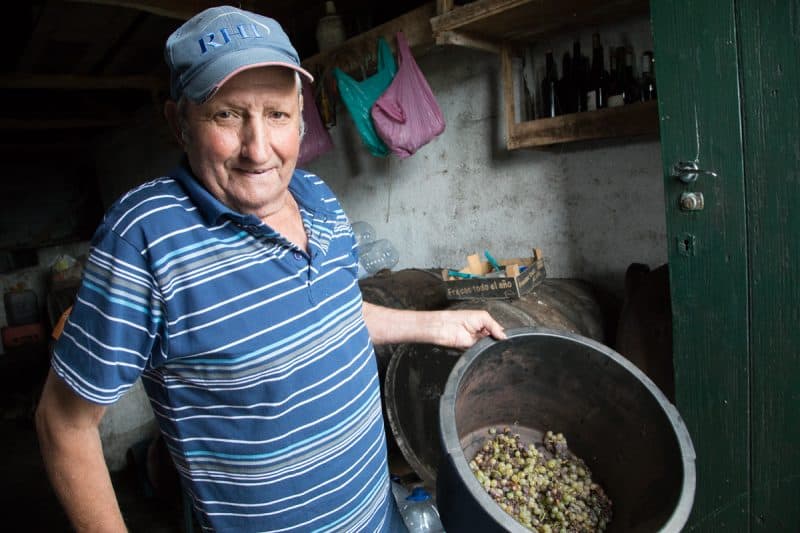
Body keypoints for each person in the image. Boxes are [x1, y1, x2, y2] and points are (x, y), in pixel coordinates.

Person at [35, 6, 505, 532]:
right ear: (178, 123)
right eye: (227, 116)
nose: (258, 150)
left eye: (277, 115)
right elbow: (64, 424)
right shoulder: (145, 238)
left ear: (301, 117)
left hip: (377, 517)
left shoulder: (317, 196)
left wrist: (435, 325)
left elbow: (331, 314)